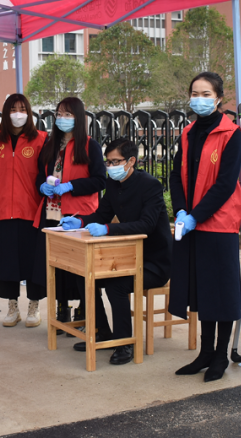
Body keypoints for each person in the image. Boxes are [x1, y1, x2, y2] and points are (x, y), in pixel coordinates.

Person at [59, 137, 172, 365]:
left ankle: (124, 343)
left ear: (131, 161)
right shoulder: (113, 184)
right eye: (108, 162)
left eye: (115, 162)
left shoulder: (150, 185)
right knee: (85, 276)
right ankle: (102, 331)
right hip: (127, 257)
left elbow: (146, 225)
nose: (110, 167)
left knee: (116, 284)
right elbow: (102, 214)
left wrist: (108, 229)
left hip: (154, 262)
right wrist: (80, 222)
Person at [168, 71, 241, 383]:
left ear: (218, 98)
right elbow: (176, 175)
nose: (198, 99)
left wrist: (196, 215)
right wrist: (181, 210)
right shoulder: (187, 133)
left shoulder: (232, 134)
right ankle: (205, 352)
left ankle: (220, 356)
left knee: (221, 293)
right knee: (202, 291)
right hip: (192, 224)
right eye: (194, 93)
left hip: (219, 224)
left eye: (206, 94)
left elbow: (225, 184)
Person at [33, 97, 106, 332]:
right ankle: (62, 309)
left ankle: (84, 310)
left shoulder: (90, 145)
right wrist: (42, 186)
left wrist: (71, 186)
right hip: (51, 213)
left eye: (68, 114)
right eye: (59, 114)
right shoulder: (50, 144)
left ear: (79, 117)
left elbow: (100, 180)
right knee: (57, 265)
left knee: (80, 266)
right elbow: (39, 173)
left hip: (78, 215)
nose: (62, 119)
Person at [0, 94, 46, 328]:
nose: (18, 114)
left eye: (22, 109)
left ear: (28, 113)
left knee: (32, 261)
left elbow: (45, 174)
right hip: (4, 212)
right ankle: (12, 307)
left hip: (31, 211)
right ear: (5, 113)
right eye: (13, 109)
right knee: (7, 262)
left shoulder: (40, 139)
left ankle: (34, 306)